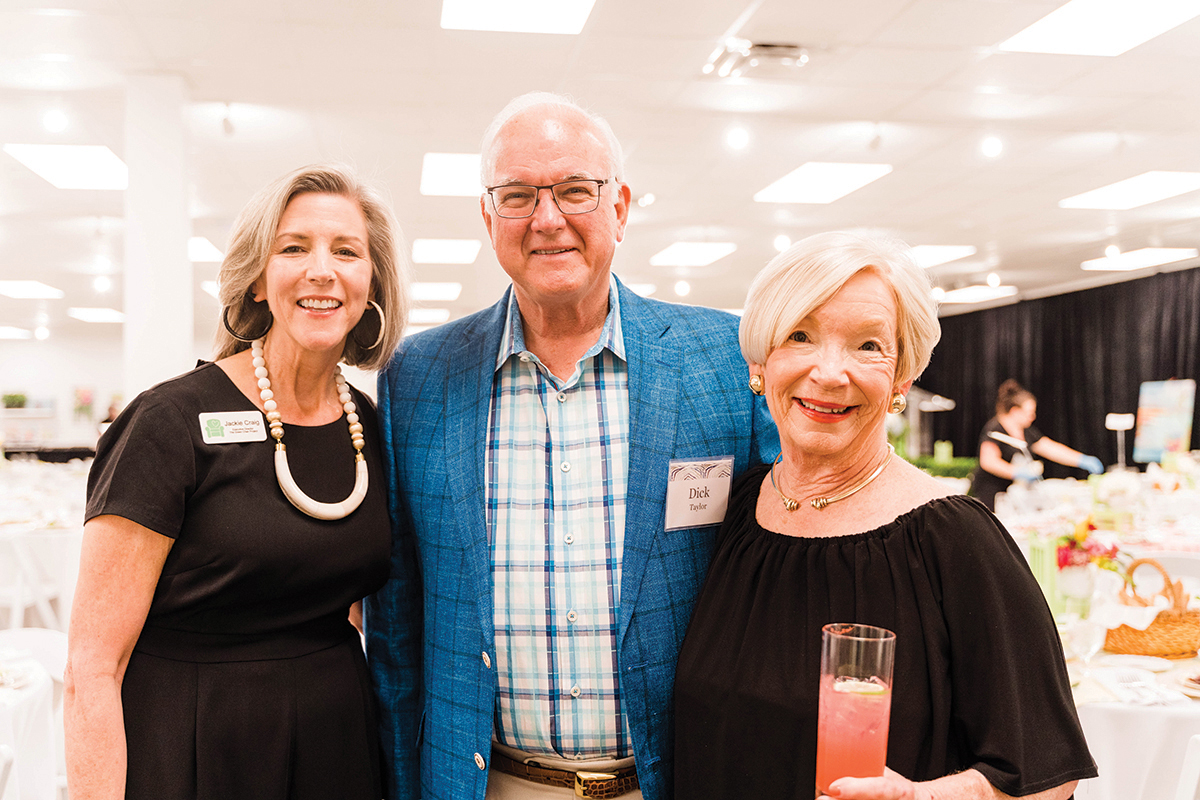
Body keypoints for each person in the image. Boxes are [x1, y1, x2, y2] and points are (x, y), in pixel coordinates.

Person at [366, 91, 778, 800]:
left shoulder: (723, 359)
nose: (547, 218)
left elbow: (780, 573)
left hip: (677, 778)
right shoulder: (418, 377)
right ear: (488, 218)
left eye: (575, 191)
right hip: (487, 783)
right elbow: (397, 628)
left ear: (620, 207)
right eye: (518, 195)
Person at [673, 231, 1096, 800]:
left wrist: (924, 797)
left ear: (902, 378)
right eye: (800, 335)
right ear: (760, 361)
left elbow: (1047, 776)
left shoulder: (955, 539)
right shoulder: (739, 511)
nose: (830, 372)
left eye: (868, 345)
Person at [64, 163, 410, 800]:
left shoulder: (370, 426)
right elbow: (93, 667)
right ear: (256, 280)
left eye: (346, 251)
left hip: (337, 747)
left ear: (372, 285)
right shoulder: (169, 422)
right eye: (294, 248)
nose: (322, 270)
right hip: (193, 746)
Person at [972, 378, 1104, 511]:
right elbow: (988, 461)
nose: (1033, 417)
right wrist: (1017, 472)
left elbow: (1050, 448)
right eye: (1030, 413)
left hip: (1013, 492)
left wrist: (1081, 459)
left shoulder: (1027, 431)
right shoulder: (994, 430)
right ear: (1015, 411)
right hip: (991, 493)